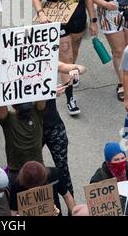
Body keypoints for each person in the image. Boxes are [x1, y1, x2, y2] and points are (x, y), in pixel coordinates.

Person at [33, 0, 98, 115]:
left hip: (78, 23)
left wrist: (93, 20)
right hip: (60, 25)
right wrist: (40, 13)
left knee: (73, 55)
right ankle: (70, 98)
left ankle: (70, 74)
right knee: (67, 59)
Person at [91, 0, 128, 101]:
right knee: (119, 51)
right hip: (109, 15)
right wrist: (105, 4)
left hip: (127, 11)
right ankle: (122, 84)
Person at [43, 62, 86, 197]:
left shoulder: (46, 60)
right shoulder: (16, 68)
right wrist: (48, 94)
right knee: (35, 172)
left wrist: (77, 69)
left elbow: (76, 67)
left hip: (54, 125)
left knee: (63, 169)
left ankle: (71, 207)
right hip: (31, 130)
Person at [0, 101, 45, 186]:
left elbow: (2, 108)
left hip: (33, 170)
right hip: (21, 171)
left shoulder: (9, 120)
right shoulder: (36, 113)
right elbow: (41, 102)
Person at [9, 161, 76, 216]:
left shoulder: (55, 174)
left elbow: (67, 196)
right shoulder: (17, 186)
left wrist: (75, 214)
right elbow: (13, 211)